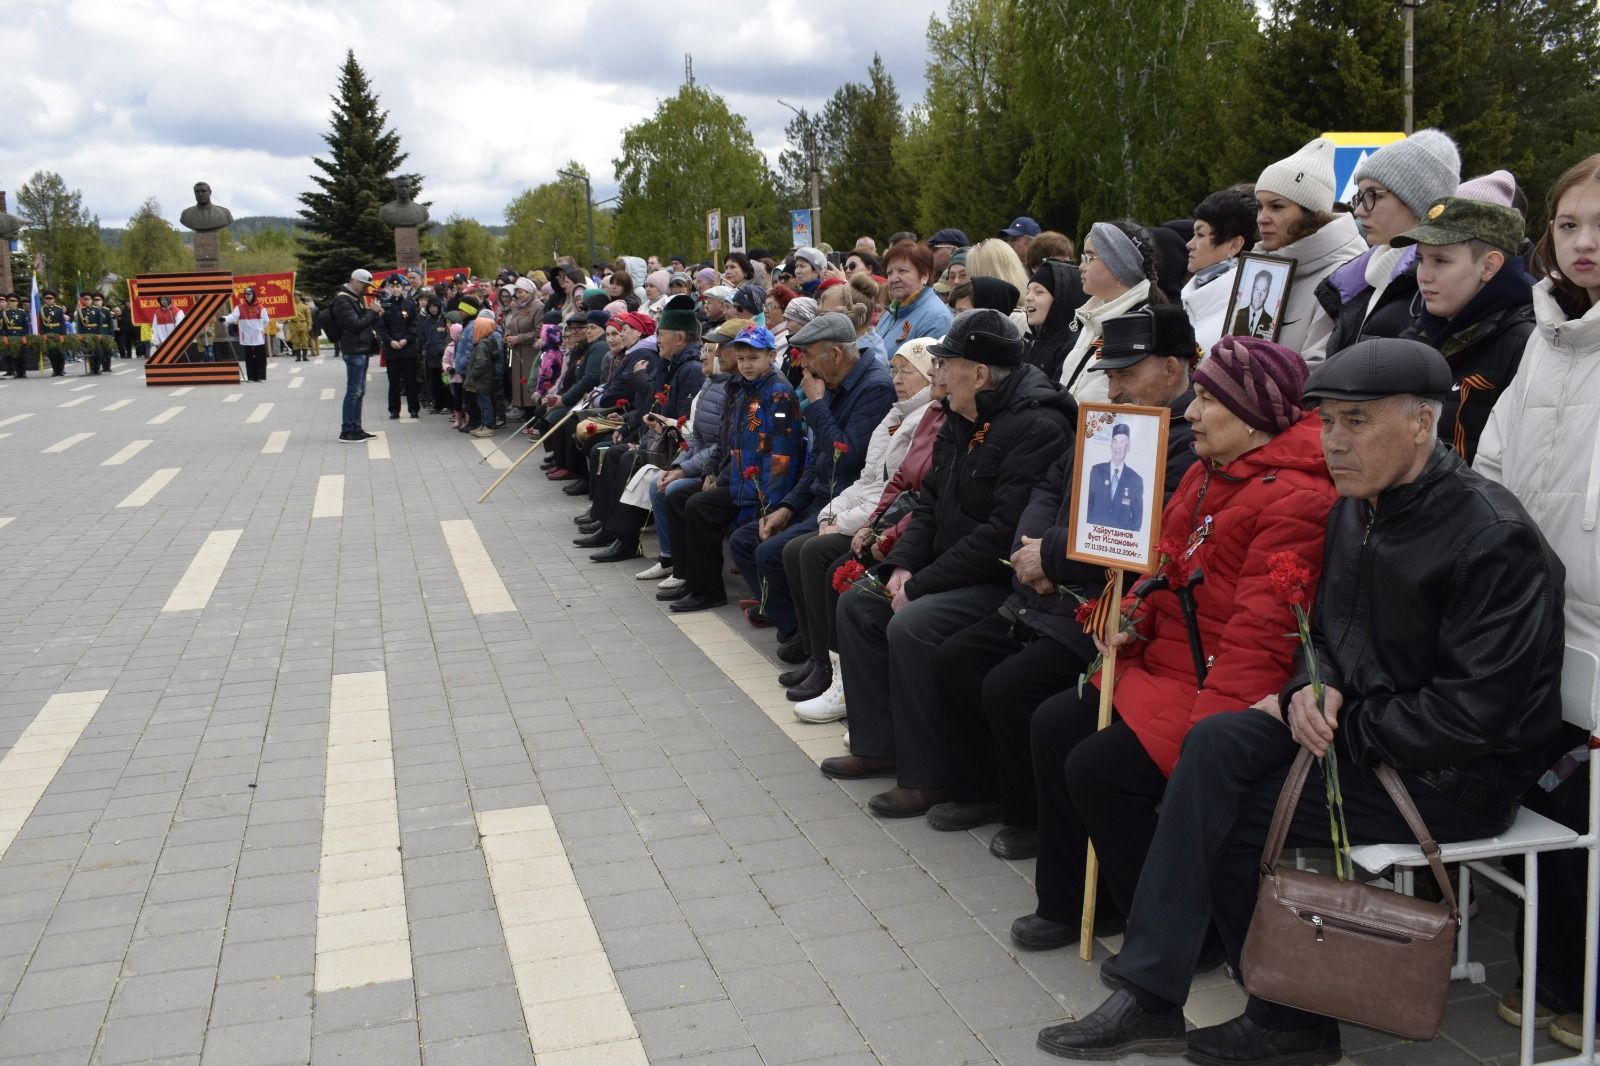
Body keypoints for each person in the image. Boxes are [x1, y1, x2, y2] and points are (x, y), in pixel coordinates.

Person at [1039, 339, 1566, 1065]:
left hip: (1454, 775)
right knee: (1216, 743)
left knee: (1227, 813)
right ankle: (1154, 996)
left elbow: (1473, 718)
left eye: (1356, 422)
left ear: (1421, 423)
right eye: (1326, 423)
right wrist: (1303, 686)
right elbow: (1317, 633)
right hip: (1362, 730)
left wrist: (1335, 713)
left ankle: (1288, 1020)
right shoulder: (1364, 505)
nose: (1334, 443)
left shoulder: (1492, 537)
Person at [931, 305, 1203, 855]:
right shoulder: (1108, 420)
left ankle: (1035, 818)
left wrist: (1053, 559)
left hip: (1104, 604)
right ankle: (991, 793)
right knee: (956, 658)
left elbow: (1142, 536)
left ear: (1172, 370)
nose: (1117, 389)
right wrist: (1031, 551)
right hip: (1044, 586)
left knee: (1013, 690)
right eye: (1112, 375)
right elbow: (1051, 486)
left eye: (1129, 374)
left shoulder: (1183, 440)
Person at [820, 309, 1076, 819]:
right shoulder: (964, 414)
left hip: (999, 579)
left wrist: (921, 585)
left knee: (913, 624)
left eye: (946, 362)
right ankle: (880, 744)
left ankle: (929, 775)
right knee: (861, 602)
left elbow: (1002, 534)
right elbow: (929, 501)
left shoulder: (1036, 425)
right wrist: (902, 566)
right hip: (951, 566)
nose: (936, 373)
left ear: (979, 373)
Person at [1477, 153, 1600, 1048]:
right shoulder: (1542, 341)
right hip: (1537, 624)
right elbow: (1489, 471)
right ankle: (1555, 976)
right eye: (1569, 225)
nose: (1586, 243)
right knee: (1554, 812)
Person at [778, 339, 937, 699]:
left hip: (888, 522)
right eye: (894, 369)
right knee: (795, 550)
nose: (896, 378)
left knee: (818, 555)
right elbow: (869, 480)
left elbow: (897, 493)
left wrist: (847, 523)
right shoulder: (896, 414)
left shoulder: (924, 417)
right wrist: (830, 513)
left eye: (906, 371)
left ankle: (838, 671)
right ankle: (818, 657)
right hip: (869, 512)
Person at [722, 312, 896, 635]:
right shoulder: (832, 378)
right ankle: (797, 631)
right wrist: (786, 508)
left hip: (844, 501)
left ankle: (807, 641)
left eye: (809, 356)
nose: (804, 367)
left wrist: (816, 404)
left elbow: (843, 458)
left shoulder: (874, 387)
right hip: (820, 496)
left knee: (778, 552)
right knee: (748, 540)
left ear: (835, 354)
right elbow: (817, 461)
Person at [663, 325, 804, 613]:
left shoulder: (777, 394)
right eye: (741, 358)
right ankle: (691, 579)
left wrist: (770, 502)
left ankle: (708, 591)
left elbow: (782, 453)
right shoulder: (740, 387)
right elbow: (729, 440)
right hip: (739, 477)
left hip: (759, 488)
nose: (746, 365)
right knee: (686, 500)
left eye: (753, 358)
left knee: (700, 507)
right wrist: (713, 471)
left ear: (771, 356)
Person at [1391, 196, 1534, 462]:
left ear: (1489, 266)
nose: (1424, 275)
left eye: (1441, 261)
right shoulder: (1415, 336)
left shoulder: (1525, 345)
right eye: (1421, 259)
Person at [1312, 129, 1462, 354]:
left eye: (1374, 196)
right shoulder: (1364, 276)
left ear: (1418, 202)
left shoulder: (1433, 291)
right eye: (1360, 197)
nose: (1359, 211)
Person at [1249, 137, 1368, 362]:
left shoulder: (1345, 275)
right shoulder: (1261, 267)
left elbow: (1317, 374)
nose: (1262, 218)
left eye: (1276, 207)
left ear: (1312, 214)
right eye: (1259, 206)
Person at [1059, 221, 1163, 400]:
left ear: (1120, 267)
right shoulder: (1095, 317)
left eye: (1090, 258)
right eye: (1083, 257)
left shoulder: (1139, 327)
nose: (1081, 267)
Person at [874, 243, 954, 360]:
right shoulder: (893, 310)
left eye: (902, 271)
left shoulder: (936, 318)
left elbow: (924, 371)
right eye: (890, 273)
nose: (894, 279)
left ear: (924, 276)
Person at [331, 268, 381, 442]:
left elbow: (363, 323)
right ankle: (347, 430)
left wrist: (374, 315)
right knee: (354, 391)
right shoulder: (343, 301)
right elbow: (355, 325)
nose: (367, 289)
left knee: (359, 391)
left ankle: (356, 428)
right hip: (353, 350)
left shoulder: (353, 299)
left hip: (361, 349)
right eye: (365, 286)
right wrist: (371, 312)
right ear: (356, 282)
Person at [375, 276, 421, 418]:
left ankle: (413, 409)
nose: (395, 289)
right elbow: (381, 327)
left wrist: (406, 339)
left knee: (410, 380)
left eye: (398, 287)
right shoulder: (385, 305)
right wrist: (390, 341)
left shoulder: (410, 304)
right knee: (393, 381)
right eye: (393, 287)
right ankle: (394, 410)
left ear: (402, 288)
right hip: (392, 349)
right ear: (389, 287)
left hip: (407, 348)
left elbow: (414, 324)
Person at [1084, 421, 1145, 530]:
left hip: (1119, 542)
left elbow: (1137, 519)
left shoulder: (1135, 479)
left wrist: (1124, 538)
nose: (1118, 447)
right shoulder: (1097, 471)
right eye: (1115, 441)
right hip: (1094, 536)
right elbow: (1087, 505)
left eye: (1122, 442)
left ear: (1128, 446)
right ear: (1111, 445)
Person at [503, 277, 545, 416]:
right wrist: (508, 334)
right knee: (520, 384)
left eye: (521, 292)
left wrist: (518, 338)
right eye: (517, 292)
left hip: (530, 352)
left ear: (529, 292)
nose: (518, 295)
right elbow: (512, 325)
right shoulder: (519, 307)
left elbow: (538, 331)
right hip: (517, 352)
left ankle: (533, 416)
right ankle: (525, 414)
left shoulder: (538, 307)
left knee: (530, 383)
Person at [225, 286, 271, 381]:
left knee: (260, 357)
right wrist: (225, 319)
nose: (248, 296)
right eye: (246, 294)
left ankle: (260, 376)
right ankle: (251, 376)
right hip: (246, 336)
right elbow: (233, 317)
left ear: (253, 295)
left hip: (257, 336)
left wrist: (258, 328)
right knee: (249, 357)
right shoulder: (240, 307)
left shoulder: (260, 307)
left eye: (249, 294)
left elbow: (266, 321)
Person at [1228, 269, 1276, 339]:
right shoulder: (1236, 315)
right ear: (1252, 289)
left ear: (1268, 293)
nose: (1259, 295)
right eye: (1257, 289)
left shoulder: (1270, 323)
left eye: (1264, 291)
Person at [0, 294, 26, 377]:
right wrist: (5, 337)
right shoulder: (4, 313)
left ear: (18, 302)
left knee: (22, 355)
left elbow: (25, 326)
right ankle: (18, 372)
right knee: (13, 355)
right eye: (10, 301)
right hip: (10, 335)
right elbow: (3, 326)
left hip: (20, 335)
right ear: (8, 302)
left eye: (14, 301)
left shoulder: (22, 312)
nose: (12, 303)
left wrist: (25, 336)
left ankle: (23, 372)